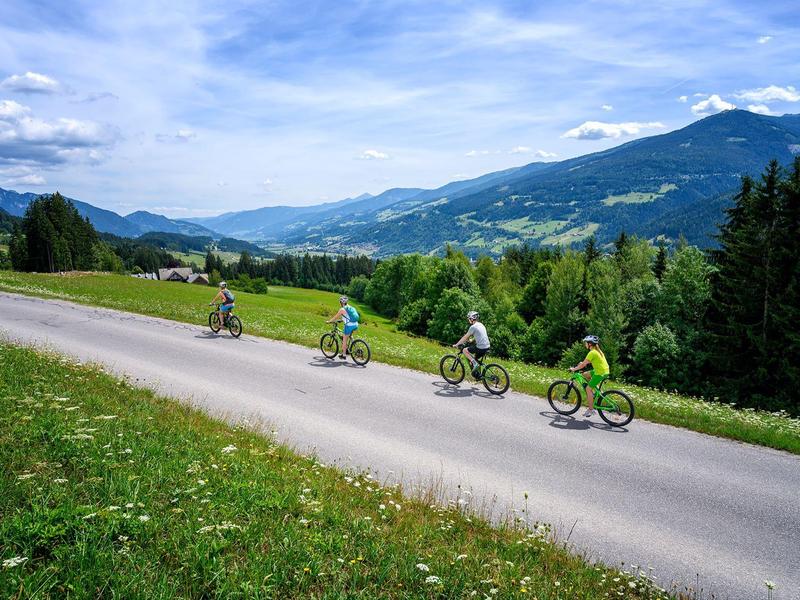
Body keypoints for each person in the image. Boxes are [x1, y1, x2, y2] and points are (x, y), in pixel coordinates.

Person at [569, 334, 610, 417]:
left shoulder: (592, 353)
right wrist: (583, 363)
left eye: (586, 343)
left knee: (588, 389)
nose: (585, 344)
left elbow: (583, 365)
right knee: (585, 375)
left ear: (590, 344)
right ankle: (596, 392)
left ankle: (591, 410)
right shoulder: (598, 351)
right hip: (603, 371)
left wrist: (574, 369)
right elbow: (595, 361)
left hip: (600, 373)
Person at [453, 311, 490, 377]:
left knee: (464, 350)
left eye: (469, 318)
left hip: (481, 347)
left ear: (472, 319)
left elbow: (465, 337)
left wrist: (457, 344)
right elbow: (480, 335)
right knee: (474, 358)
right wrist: (472, 340)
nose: (468, 320)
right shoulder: (481, 324)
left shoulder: (473, 327)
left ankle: (475, 364)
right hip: (487, 346)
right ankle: (478, 375)